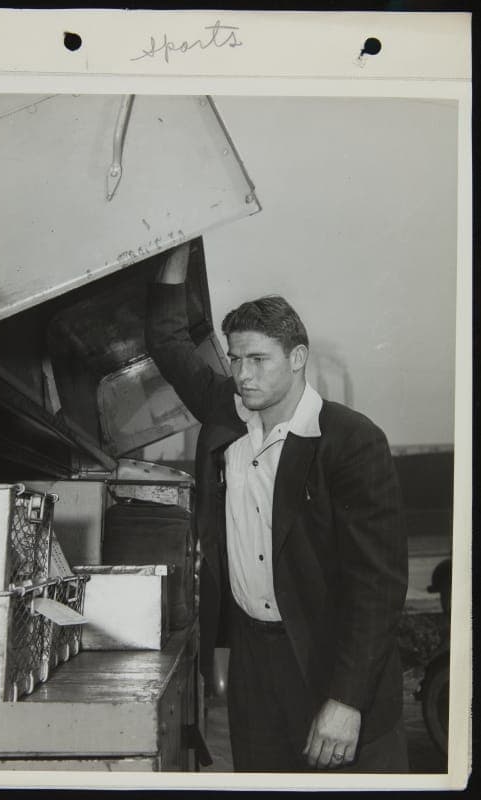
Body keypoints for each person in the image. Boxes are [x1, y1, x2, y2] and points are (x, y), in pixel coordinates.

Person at [145, 242, 409, 773]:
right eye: (236, 358)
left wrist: (347, 700)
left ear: (297, 358)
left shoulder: (350, 441)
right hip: (253, 666)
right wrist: (177, 240)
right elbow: (167, 343)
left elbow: (377, 586)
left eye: (259, 360)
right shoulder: (227, 411)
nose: (243, 374)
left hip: (330, 662)